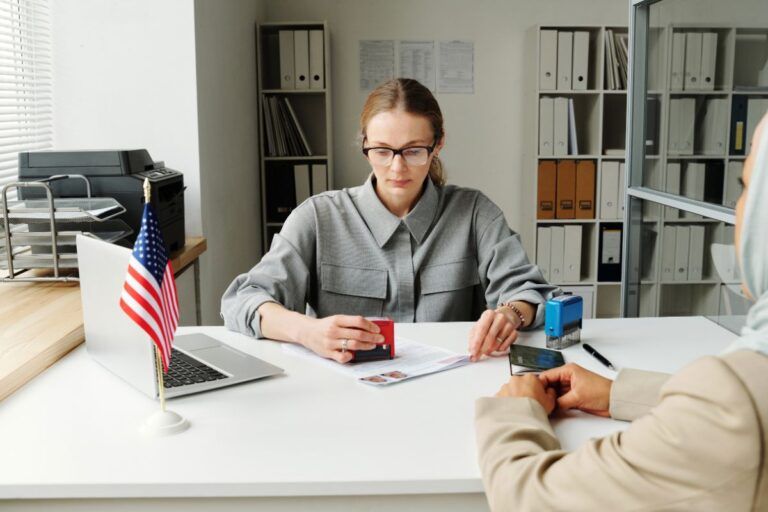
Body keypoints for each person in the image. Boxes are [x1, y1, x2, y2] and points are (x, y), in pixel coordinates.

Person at [474, 111, 768, 511]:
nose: (737, 213)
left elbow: (534, 500)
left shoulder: (740, 391)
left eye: (747, 189)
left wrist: (515, 411)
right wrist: (618, 393)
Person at [221, 78, 557, 363]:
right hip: (344, 394)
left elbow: (530, 291)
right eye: (382, 151)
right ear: (364, 144)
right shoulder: (317, 217)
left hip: (446, 389)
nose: (397, 168)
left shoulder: (475, 213)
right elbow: (243, 300)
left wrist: (509, 313)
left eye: (413, 151)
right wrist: (307, 331)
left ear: (437, 145)